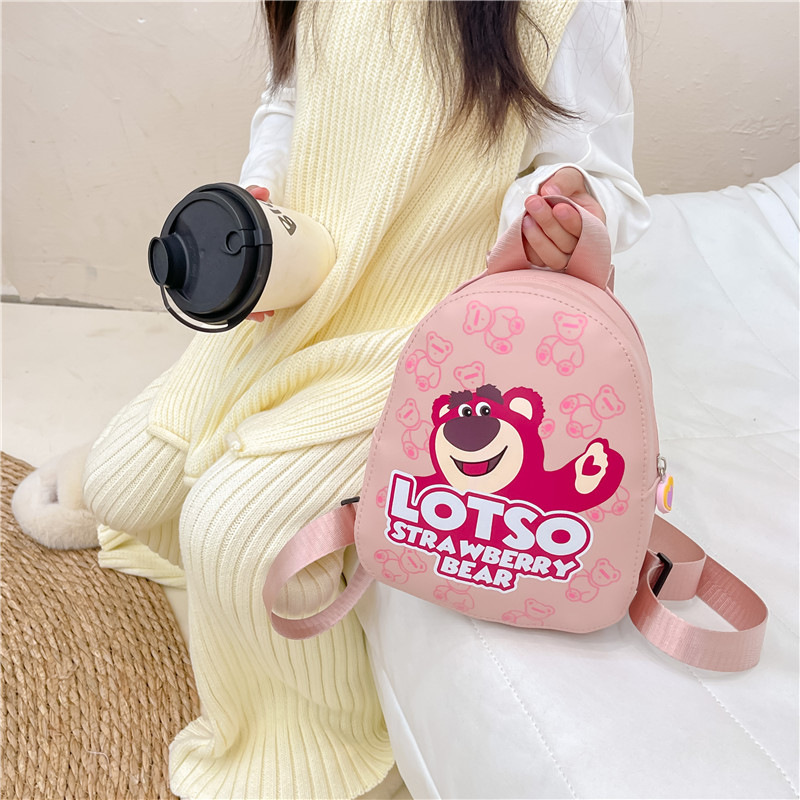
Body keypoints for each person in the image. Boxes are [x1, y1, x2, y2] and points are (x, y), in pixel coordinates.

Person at [80, 1, 650, 797]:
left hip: (424, 333)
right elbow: (287, 99)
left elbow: (607, 182)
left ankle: (324, 751)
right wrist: (262, 201)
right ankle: (237, 449)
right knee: (116, 488)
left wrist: (559, 207)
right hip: (305, 290)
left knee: (231, 531)